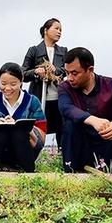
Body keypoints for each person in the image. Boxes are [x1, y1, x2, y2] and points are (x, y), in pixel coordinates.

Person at [58, 47, 112, 173]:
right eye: (67, 73)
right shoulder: (65, 87)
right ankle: (71, 172)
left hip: (106, 140)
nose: (70, 78)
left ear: (90, 70)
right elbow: (66, 108)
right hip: (81, 145)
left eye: (74, 73)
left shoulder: (111, 84)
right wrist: (92, 120)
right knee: (70, 124)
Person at [0, 62, 47, 172]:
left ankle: (27, 171)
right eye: (3, 83)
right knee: (1, 133)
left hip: (22, 152)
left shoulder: (32, 102)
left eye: (13, 84)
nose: (7, 88)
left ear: (21, 82)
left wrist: (22, 127)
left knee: (18, 133)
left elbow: (41, 139)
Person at [21, 18, 67, 146]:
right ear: (46, 30)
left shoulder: (63, 51)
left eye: (61, 30)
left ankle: (63, 158)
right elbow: (23, 73)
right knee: (37, 127)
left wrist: (57, 70)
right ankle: (33, 155)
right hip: (38, 97)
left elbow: (68, 70)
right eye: (56, 28)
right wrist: (36, 72)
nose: (59, 32)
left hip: (58, 98)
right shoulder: (34, 50)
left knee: (62, 128)